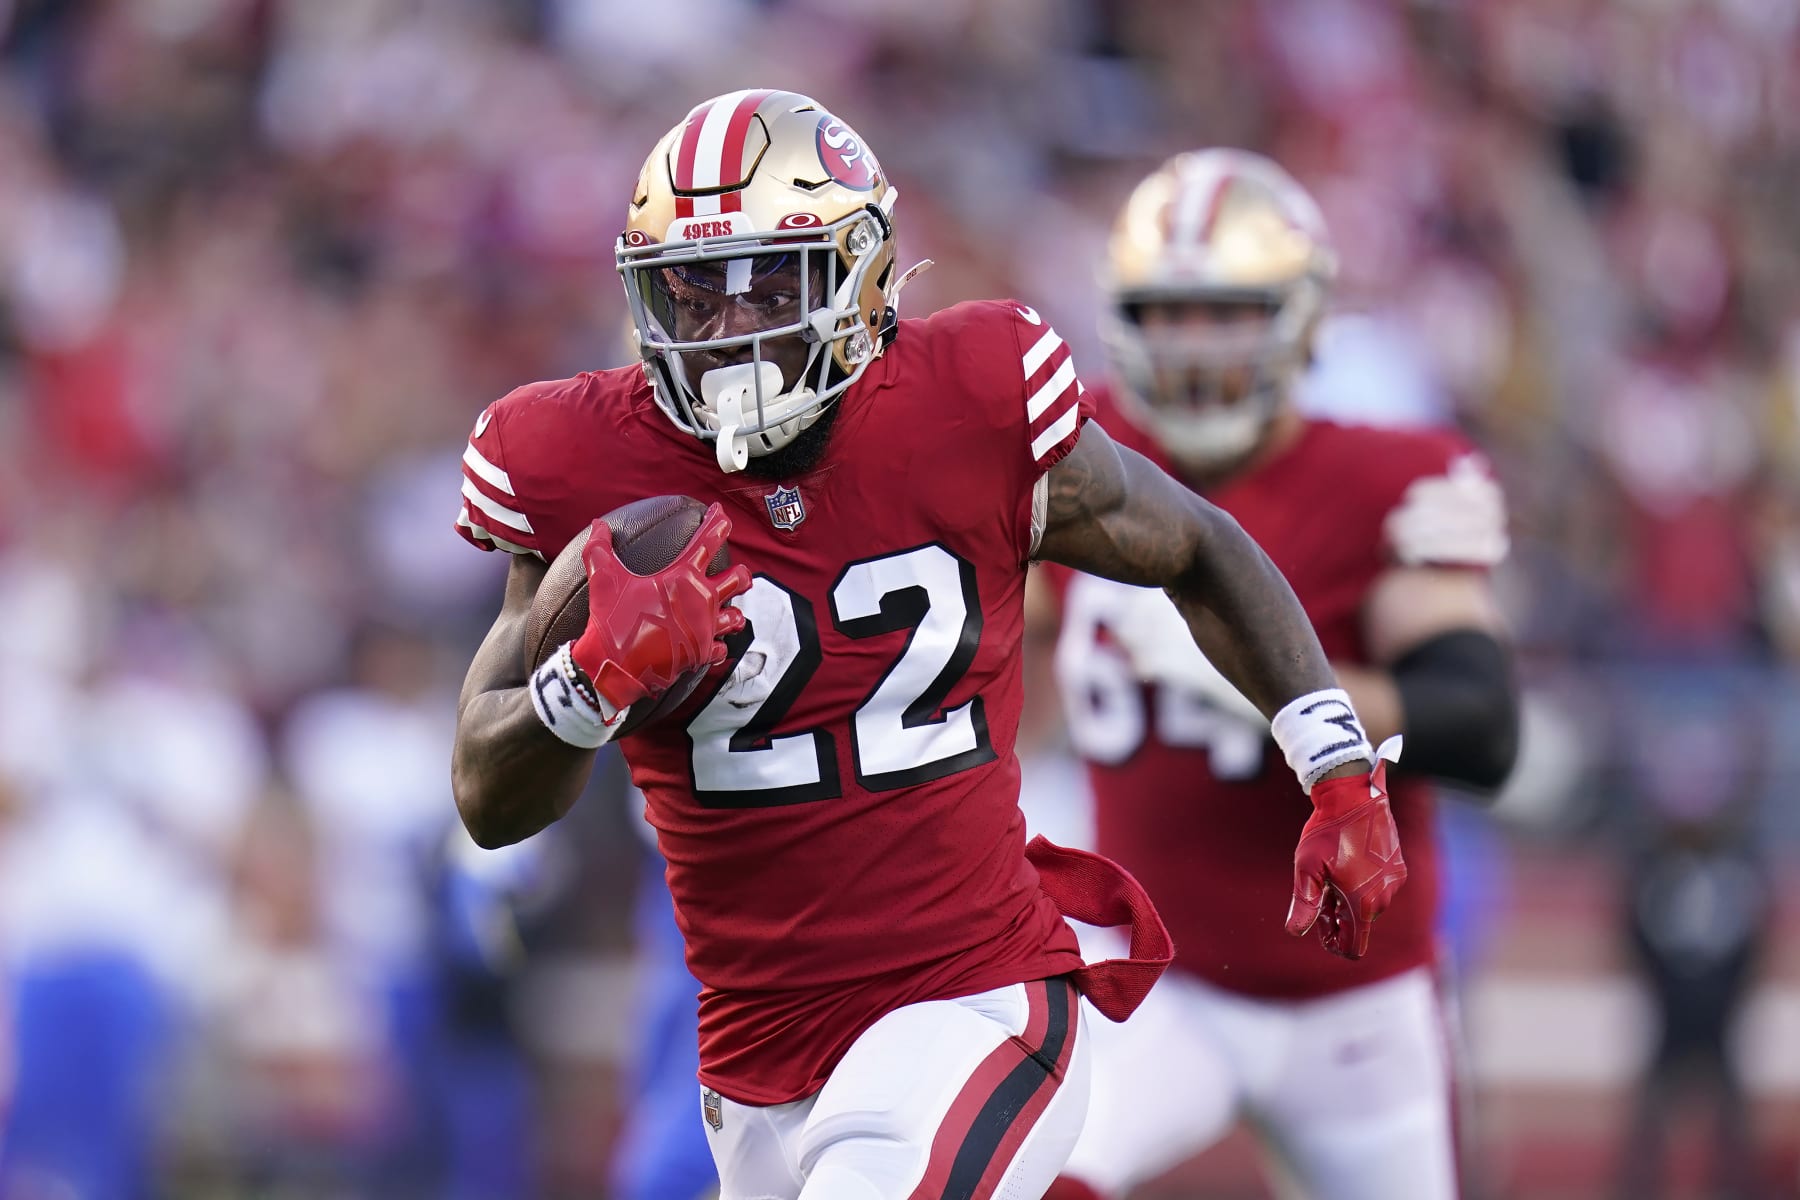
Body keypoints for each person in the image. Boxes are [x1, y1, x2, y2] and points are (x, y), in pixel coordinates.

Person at [450, 92, 1408, 1200]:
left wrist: (1336, 766)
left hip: (971, 1001)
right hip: (753, 1059)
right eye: (691, 289)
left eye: (771, 280)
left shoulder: (972, 400)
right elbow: (486, 791)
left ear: (858, 276)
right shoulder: (578, 463)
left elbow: (1195, 544)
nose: (729, 327)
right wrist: (586, 684)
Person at [1039, 150, 1519, 1200]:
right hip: (1158, 981)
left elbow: (1480, 725)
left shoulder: (1389, 477)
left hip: (1356, 999)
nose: (1198, 348)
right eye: (1170, 313)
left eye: (1230, 313)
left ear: (1301, 319)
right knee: (1037, 1177)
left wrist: (1272, 685)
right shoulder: (1074, 460)